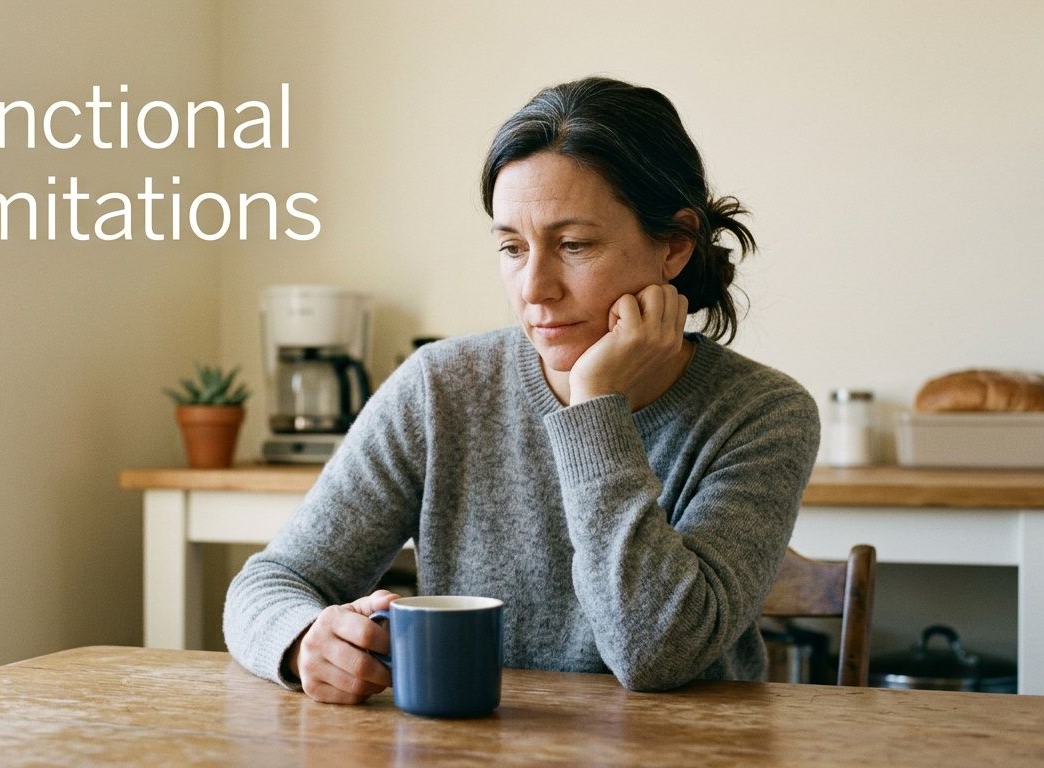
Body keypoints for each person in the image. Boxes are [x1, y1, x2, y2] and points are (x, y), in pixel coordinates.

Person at [224, 76, 820, 704]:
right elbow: (271, 582)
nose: (534, 288)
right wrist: (303, 640)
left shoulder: (763, 414)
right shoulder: (440, 387)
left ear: (673, 246)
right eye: (512, 247)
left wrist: (595, 407)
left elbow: (655, 653)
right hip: (472, 743)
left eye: (574, 245)